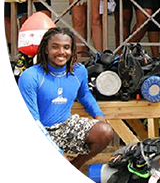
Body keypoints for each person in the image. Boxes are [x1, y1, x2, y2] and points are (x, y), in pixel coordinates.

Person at [18, 27, 114, 171]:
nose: (61, 52)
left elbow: (84, 94)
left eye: (66, 47)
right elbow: (32, 122)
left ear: (72, 50)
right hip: (35, 133)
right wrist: (57, 155)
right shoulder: (30, 76)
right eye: (55, 47)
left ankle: (73, 167)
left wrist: (99, 115)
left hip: (65, 127)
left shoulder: (79, 71)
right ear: (45, 49)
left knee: (104, 131)